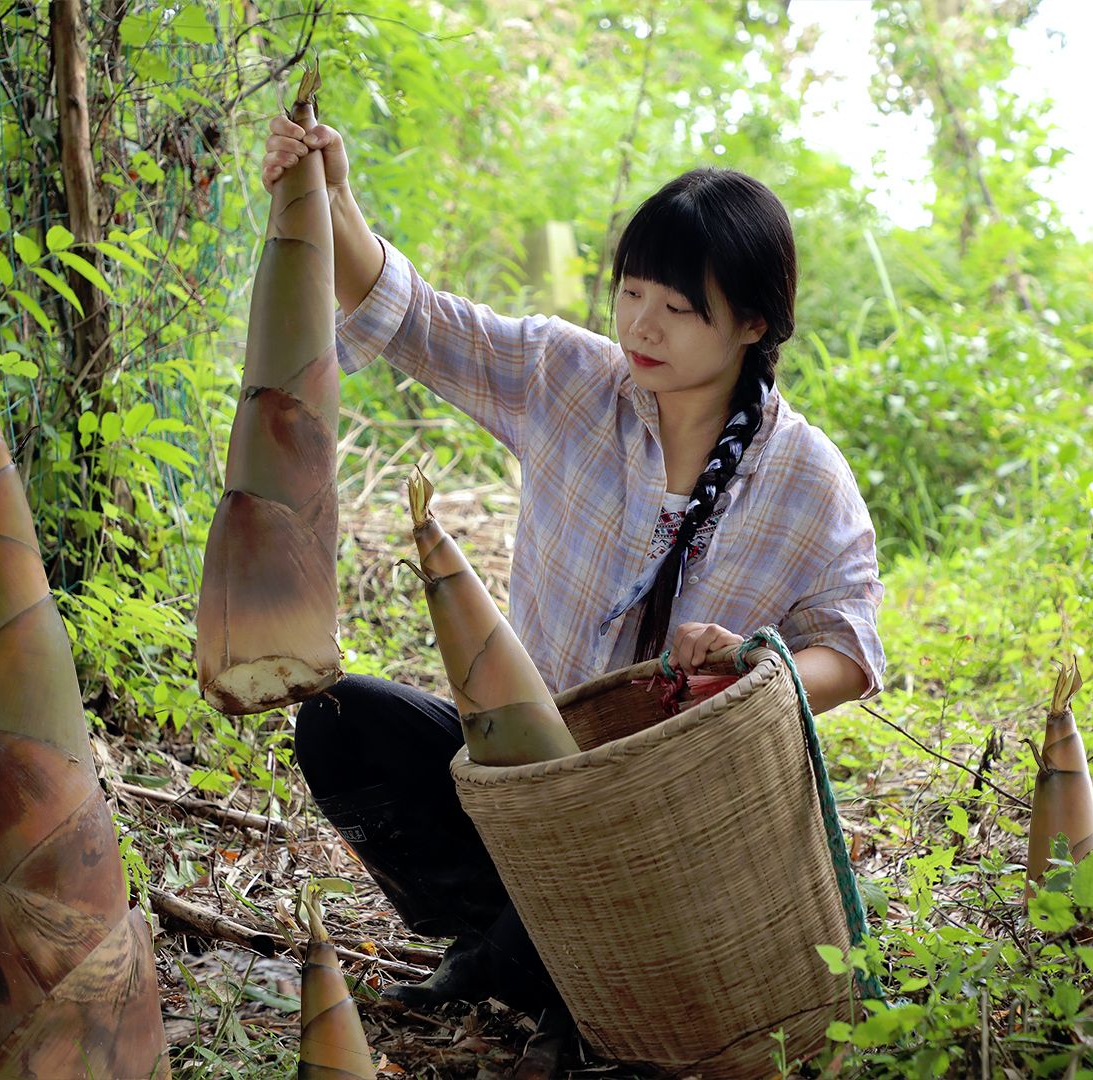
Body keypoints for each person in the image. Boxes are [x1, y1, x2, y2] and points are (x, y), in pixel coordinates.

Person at [261, 115, 887, 1015]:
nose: (643, 324)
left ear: (751, 323)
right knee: (341, 724)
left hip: (670, 819)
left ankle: (543, 966)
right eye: (632, 292)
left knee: (618, 898)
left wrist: (752, 669)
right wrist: (333, 197)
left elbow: (848, 649)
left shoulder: (806, 479)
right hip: (526, 780)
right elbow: (416, 317)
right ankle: (499, 933)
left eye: (678, 309)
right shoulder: (568, 378)